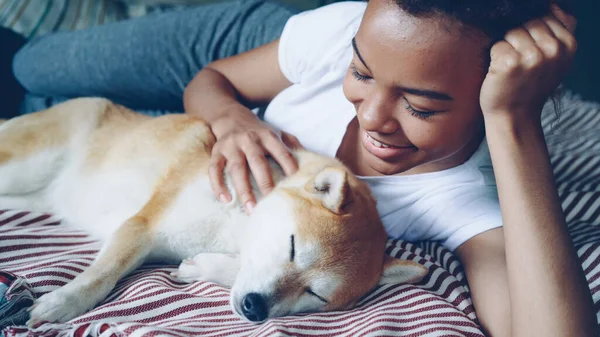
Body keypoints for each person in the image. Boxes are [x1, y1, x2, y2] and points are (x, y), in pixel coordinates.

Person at [11, 0, 598, 335]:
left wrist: (515, 121)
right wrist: (229, 117)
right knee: (34, 66)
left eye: (419, 105)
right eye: (363, 74)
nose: (372, 117)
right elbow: (211, 82)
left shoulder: (461, 197)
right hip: (263, 47)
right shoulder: (341, 33)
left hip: (252, 98)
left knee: (33, 87)